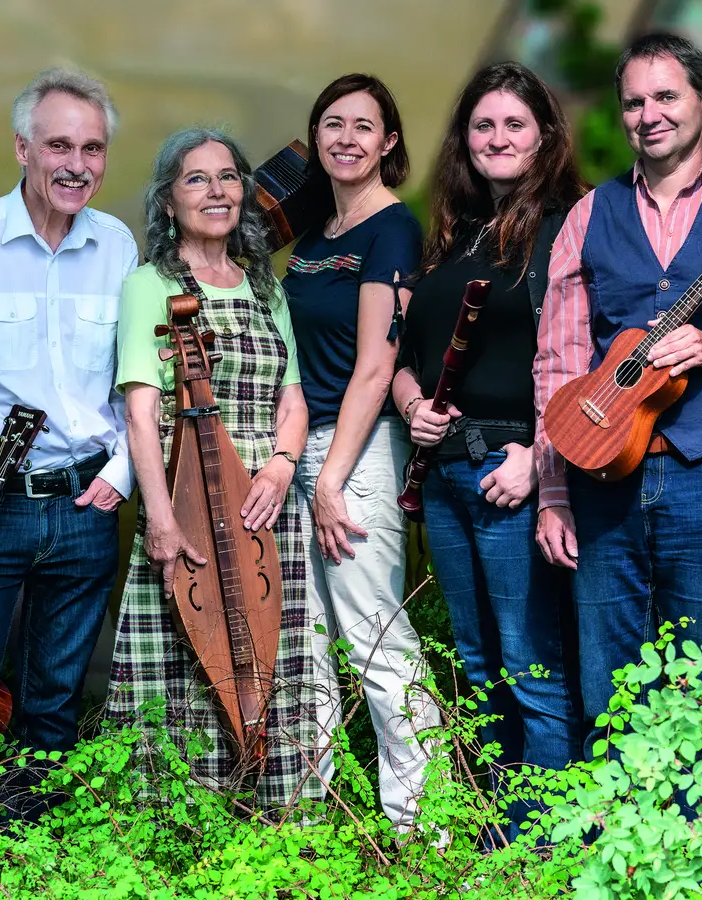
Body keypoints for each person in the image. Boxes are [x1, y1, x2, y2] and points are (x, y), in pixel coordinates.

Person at [533, 32, 702, 757]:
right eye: (634, 102)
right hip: (600, 476)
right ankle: (620, 856)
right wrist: (553, 490)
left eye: (666, 96)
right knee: (609, 684)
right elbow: (557, 363)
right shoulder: (588, 216)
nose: (649, 114)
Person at [0, 67, 135, 820]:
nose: (77, 163)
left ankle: (37, 836)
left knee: (57, 692)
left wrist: (124, 470)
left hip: (86, 499)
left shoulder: (117, 246)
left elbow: (134, 381)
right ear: (22, 148)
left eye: (94, 147)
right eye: (58, 145)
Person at [390, 61, 585, 841]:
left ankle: (544, 849)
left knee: (532, 670)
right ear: (463, 140)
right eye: (482, 125)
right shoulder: (452, 236)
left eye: (513, 124)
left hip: (517, 475)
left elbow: (589, 359)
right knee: (479, 669)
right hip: (446, 477)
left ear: (544, 136)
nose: (496, 138)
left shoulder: (570, 227)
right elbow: (410, 353)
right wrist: (411, 408)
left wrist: (538, 457)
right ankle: (504, 836)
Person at [107, 127, 315, 807]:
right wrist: (159, 521)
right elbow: (141, 412)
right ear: (168, 201)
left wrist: (282, 468)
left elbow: (293, 396)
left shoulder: (265, 285)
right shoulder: (150, 285)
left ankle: (278, 824)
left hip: (265, 506)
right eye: (196, 179)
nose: (216, 191)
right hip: (187, 498)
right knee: (185, 669)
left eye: (227, 177)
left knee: (268, 662)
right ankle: (179, 832)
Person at [282, 72, 441, 827]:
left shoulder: (392, 229)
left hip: (359, 453)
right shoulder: (315, 238)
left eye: (363, 126)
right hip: (302, 450)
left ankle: (424, 823)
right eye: (332, 124)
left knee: (374, 634)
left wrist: (332, 477)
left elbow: (378, 365)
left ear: (390, 142)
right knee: (306, 643)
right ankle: (306, 814)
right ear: (316, 137)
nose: (346, 139)